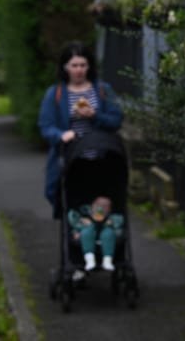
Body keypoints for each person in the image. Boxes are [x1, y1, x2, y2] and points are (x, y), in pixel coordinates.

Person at [37, 42, 124, 219]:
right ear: (65, 68)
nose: (79, 70)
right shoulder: (55, 94)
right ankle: (79, 235)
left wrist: (95, 115)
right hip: (71, 162)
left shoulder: (102, 90)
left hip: (101, 160)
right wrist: (61, 135)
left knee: (100, 206)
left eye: (83, 65)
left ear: (89, 66)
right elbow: (46, 126)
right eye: (74, 65)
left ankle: (99, 234)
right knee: (75, 206)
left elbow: (116, 120)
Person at [67, 195, 124, 271]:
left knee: (109, 233)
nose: (101, 208)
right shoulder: (84, 215)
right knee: (86, 232)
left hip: (106, 237)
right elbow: (75, 224)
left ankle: (107, 260)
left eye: (105, 206)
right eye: (99, 205)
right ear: (92, 206)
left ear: (110, 209)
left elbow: (119, 229)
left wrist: (111, 223)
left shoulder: (112, 218)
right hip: (86, 235)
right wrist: (76, 232)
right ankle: (90, 259)